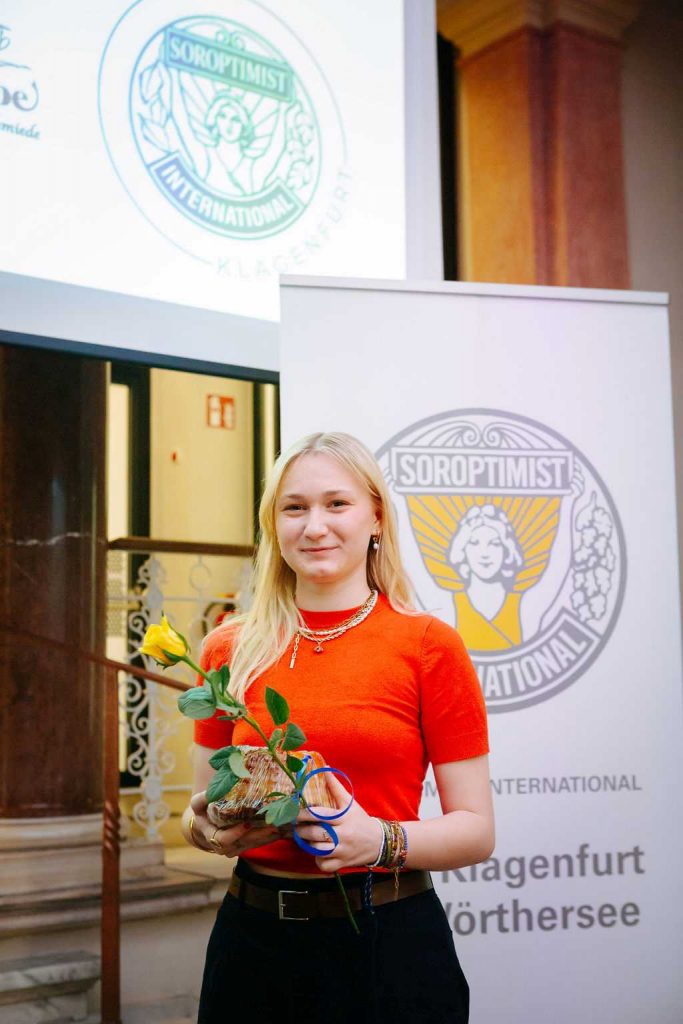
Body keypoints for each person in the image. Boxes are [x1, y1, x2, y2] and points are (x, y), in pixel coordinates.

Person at [181, 431, 494, 1024]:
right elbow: (198, 812)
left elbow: (476, 830)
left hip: (387, 943)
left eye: (336, 504)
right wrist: (211, 827)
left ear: (376, 516)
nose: (315, 526)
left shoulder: (428, 645)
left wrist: (378, 840)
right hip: (253, 946)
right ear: (273, 526)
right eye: (294, 508)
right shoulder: (228, 648)